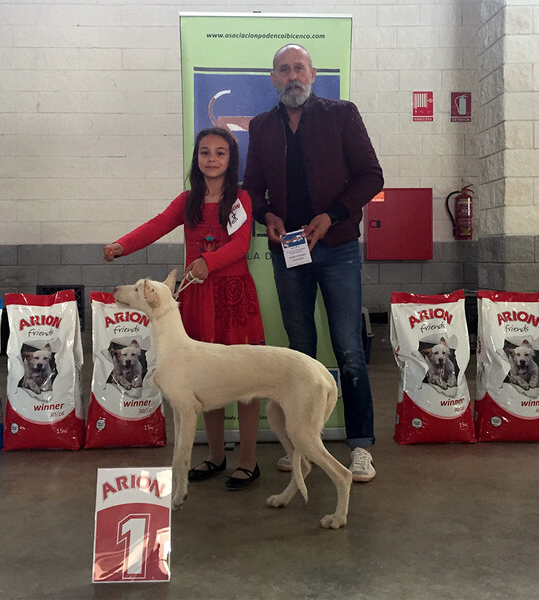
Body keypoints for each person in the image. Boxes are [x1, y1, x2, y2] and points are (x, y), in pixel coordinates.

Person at [243, 44, 384, 482]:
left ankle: (360, 446)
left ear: (313, 73)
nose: (292, 76)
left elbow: (372, 176)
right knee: (299, 352)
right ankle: (305, 446)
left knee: (349, 349)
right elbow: (252, 188)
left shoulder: (342, 115)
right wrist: (267, 215)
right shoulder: (261, 126)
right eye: (284, 70)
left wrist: (333, 215)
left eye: (298, 68)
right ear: (273, 79)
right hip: (288, 251)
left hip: (338, 247)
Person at [103, 127, 266, 490]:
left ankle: (249, 461)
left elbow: (241, 244)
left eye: (220, 153)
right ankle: (216, 456)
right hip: (198, 298)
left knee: (248, 379)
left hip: (234, 297)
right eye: (205, 152)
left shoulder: (240, 199)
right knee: (204, 379)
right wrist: (122, 245)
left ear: (231, 160)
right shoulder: (187, 201)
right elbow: (156, 225)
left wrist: (209, 261)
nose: (212, 159)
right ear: (196, 158)